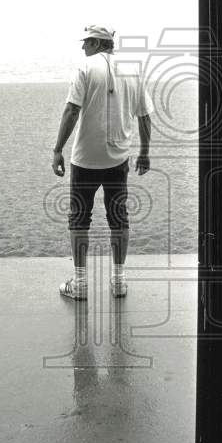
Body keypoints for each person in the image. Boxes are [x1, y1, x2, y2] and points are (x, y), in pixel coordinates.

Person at [51, 25, 153, 300]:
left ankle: (81, 284)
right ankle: (118, 281)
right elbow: (144, 116)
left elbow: (72, 110)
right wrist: (144, 152)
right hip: (118, 159)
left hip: (85, 159)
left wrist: (58, 149)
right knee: (119, 218)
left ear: (97, 43)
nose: (83, 47)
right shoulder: (133, 71)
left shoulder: (84, 68)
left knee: (79, 218)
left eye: (86, 43)